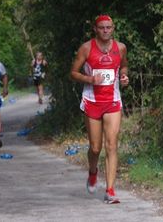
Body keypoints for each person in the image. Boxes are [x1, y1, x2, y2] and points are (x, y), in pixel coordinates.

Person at [70, 15, 129, 204]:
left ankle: (110, 190)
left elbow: (124, 67)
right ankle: (93, 171)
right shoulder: (86, 48)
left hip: (112, 100)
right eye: (102, 27)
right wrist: (89, 79)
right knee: (95, 148)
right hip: (92, 100)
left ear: (113, 28)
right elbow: (73, 72)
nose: (105, 31)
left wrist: (124, 77)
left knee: (111, 145)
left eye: (109, 27)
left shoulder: (120, 48)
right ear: (95, 29)